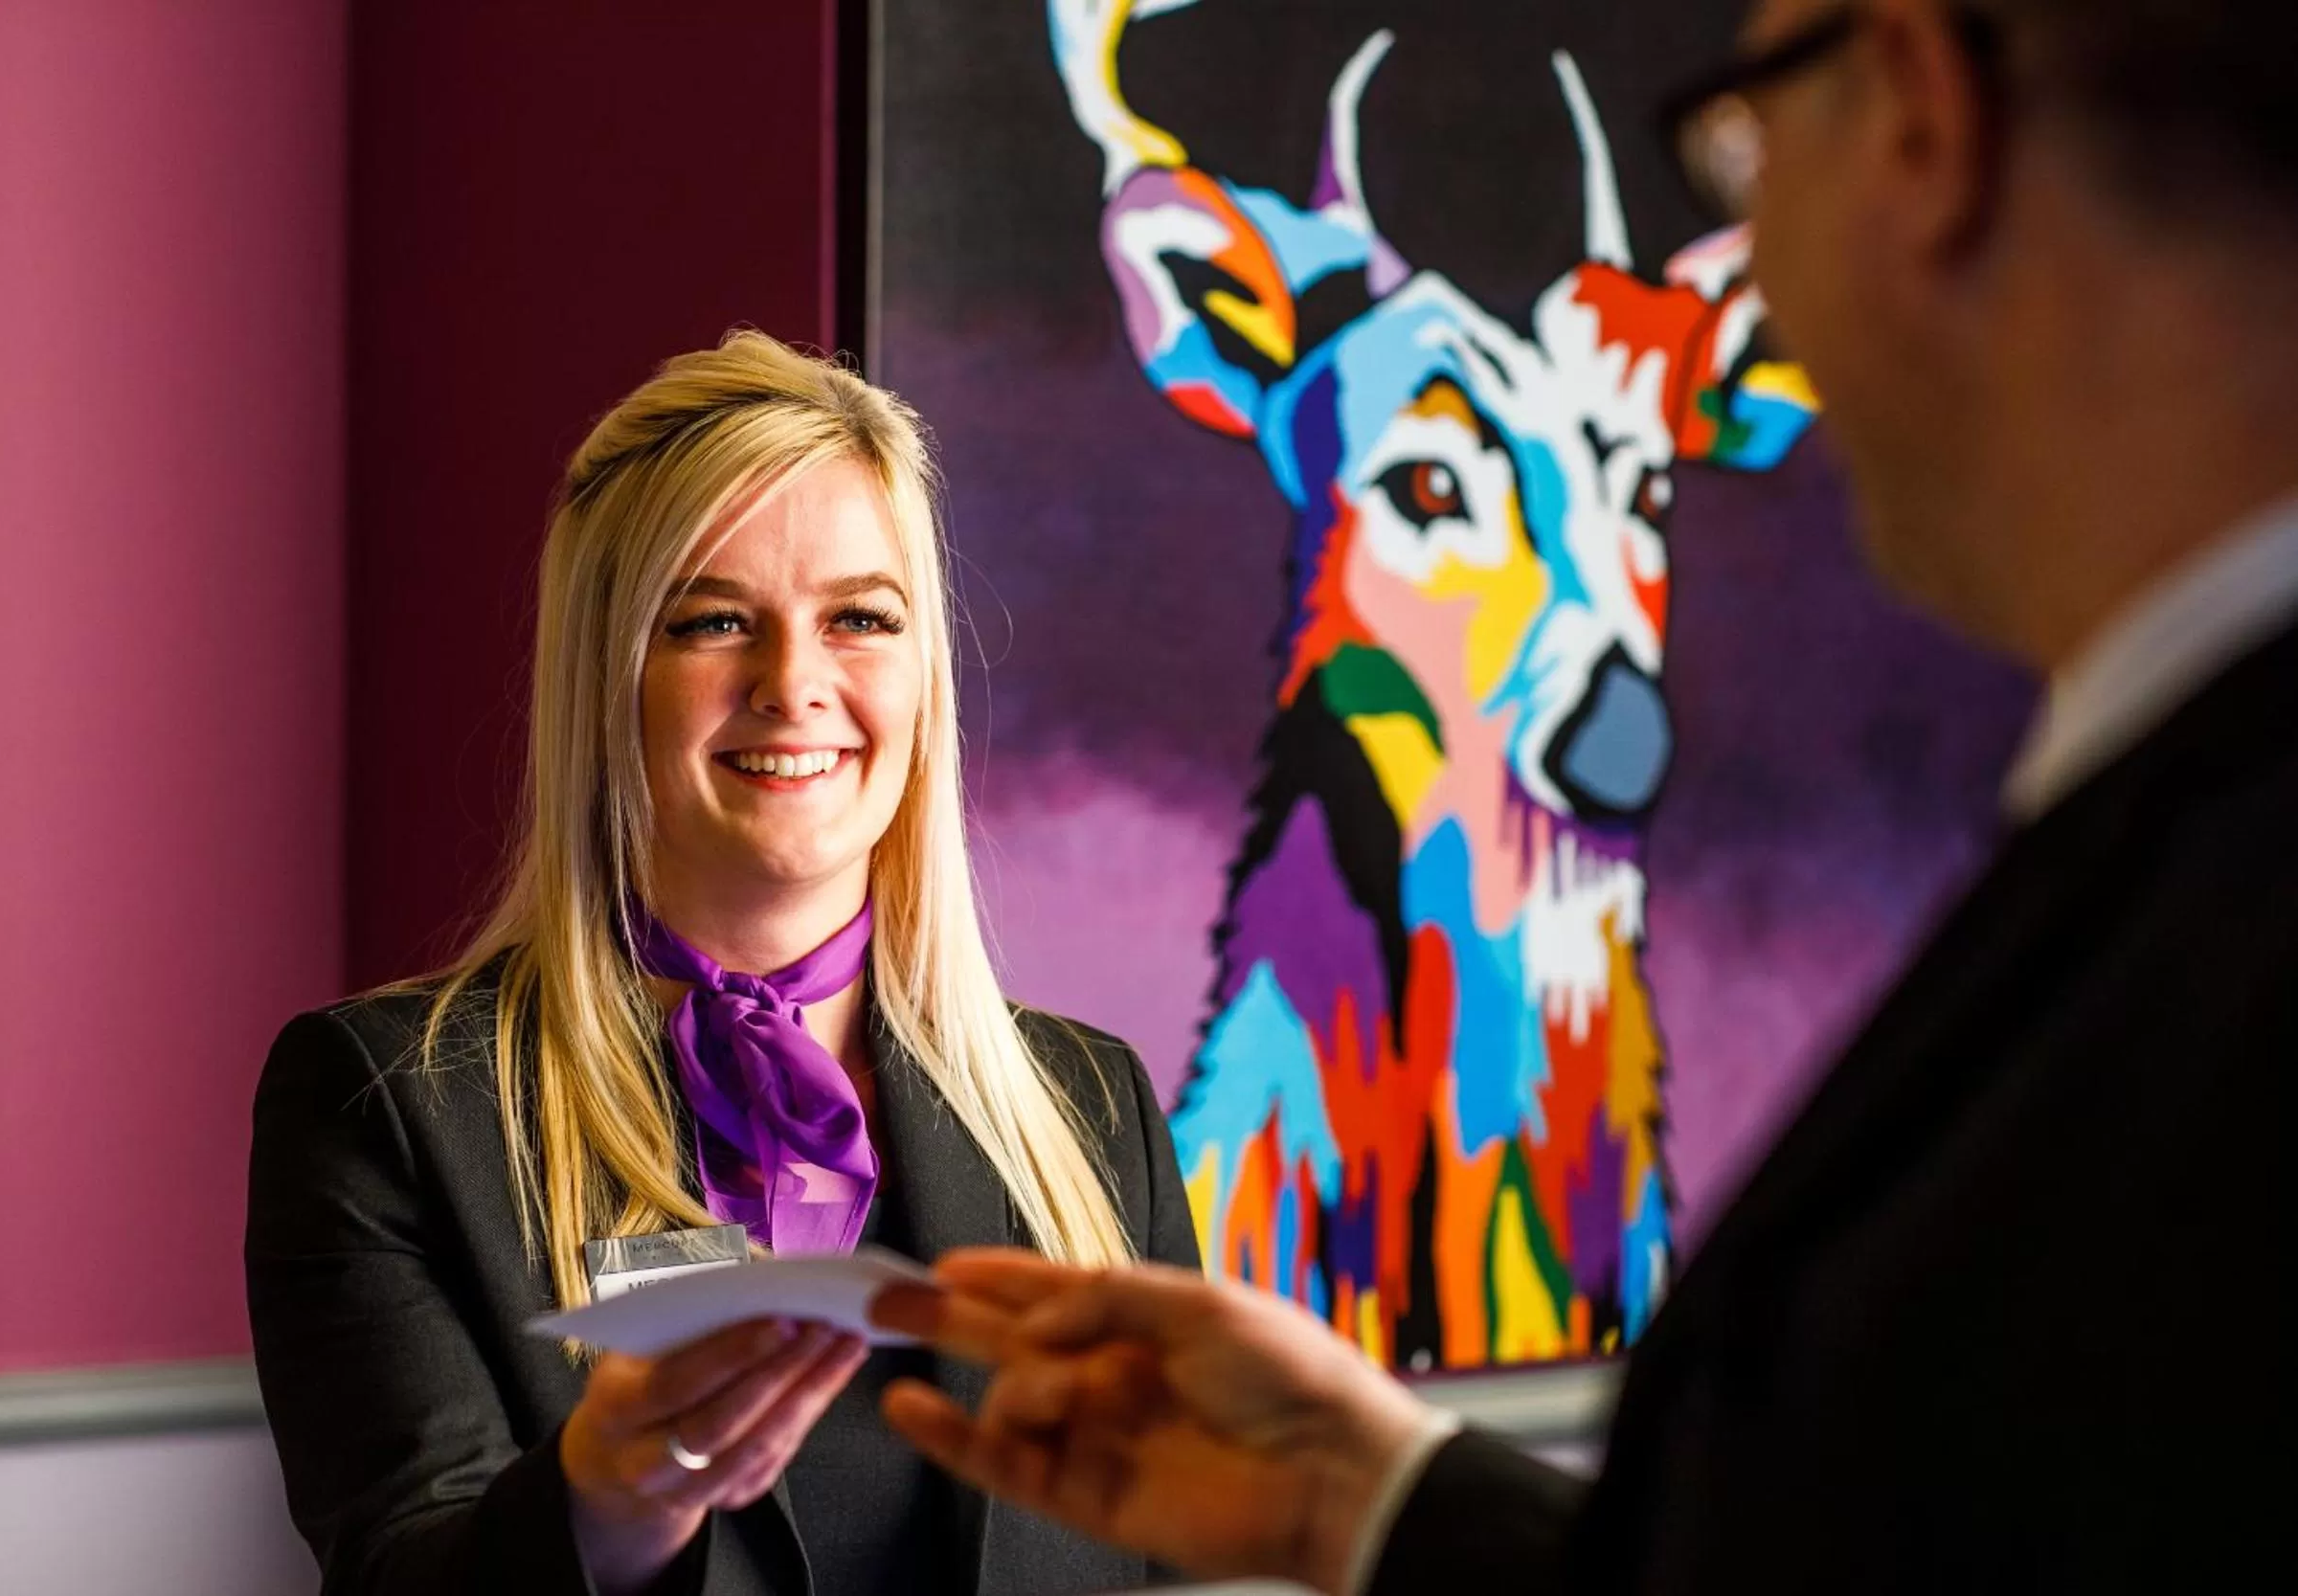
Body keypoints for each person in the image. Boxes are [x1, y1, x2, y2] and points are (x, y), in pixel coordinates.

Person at [868, 1, 2298, 1589]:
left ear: (1918, 115)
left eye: (1746, 142)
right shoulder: (2159, 862)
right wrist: (1373, 1495)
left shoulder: (2212, 912)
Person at [246, 332, 1200, 1596]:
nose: (793, 682)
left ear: (925, 673)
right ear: (608, 680)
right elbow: (401, 1570)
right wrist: (606, 1500)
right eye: (712, 620)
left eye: (860, 617)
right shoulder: (389, 1104)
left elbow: (1194, 1560)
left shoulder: (1092, 1108)